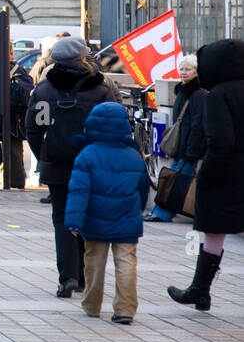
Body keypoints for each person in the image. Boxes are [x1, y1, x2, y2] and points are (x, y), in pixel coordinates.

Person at [25, 35, 116, 298]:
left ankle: (67, 277)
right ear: (81, 58)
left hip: (57, 167)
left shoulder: (43, 90)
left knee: (62, 220)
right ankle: (85, 277)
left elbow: (33, 128)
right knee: (87, 218)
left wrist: (44, 154)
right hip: (92, 165)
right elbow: (112, 124)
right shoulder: (100, 88)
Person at [168, 39, 244, 312]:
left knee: (214, 229)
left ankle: (201, 289)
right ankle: (199, 290)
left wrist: (207, 175)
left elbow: (220, 141)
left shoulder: (217, 95)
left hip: (226, 173)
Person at [64, 103, 148, 324]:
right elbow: (143, 188)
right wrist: (135, 211)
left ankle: (92, 305)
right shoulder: (134, 155)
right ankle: (125, 309)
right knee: (126, 262)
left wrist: (73, 221)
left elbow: (79, 191)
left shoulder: (87, 155)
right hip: (127, 218)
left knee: (93, 261)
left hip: (95, 219)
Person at [146, 53, 206, 222]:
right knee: (174, 181)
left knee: (175, 182)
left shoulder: (197, 94)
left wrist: (191, 150)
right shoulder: (184, 90)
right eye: (181, 69)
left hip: (188, 147)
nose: (183, 72)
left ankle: (162, 213)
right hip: (182, 145)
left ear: (196, 72)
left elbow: (197, 124)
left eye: (188, 69)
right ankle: (160, 211)